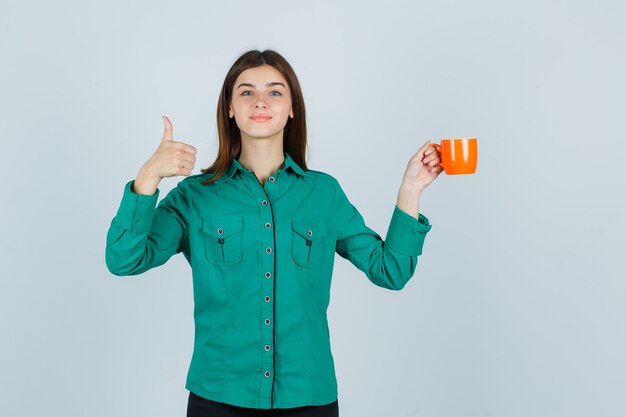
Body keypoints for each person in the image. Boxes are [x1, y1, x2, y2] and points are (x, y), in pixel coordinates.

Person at [105, 49, 443, 417]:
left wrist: (411, 189)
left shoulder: (323, 194)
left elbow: (390, 270)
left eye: (275, 91)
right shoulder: (195, 197)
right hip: (218, 398)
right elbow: (125, 259)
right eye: (247, 92)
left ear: (292, 108)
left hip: (308, 396)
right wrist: (148, 177)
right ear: (230, 108)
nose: (261, 101)